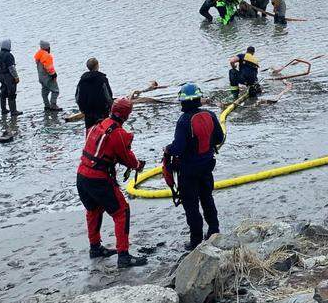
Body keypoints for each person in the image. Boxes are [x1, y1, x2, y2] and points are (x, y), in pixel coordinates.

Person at [76, 97, 148, 268]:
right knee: (122, 211)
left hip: (82, 176)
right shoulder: (118, 134)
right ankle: (123, 255)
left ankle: (95, 248)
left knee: (93, 210)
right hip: (98, 179)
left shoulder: (96, 126)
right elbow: (127, 158)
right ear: (127, 115)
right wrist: (138, 166)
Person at [165, 83, 225, 251]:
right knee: (207, 198)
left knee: (191, 205)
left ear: (183, 101)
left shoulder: (183, 121)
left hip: (188, 171)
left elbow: (178, 147)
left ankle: (196, 239)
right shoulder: (211, 115)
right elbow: (219, 138)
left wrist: (167, 149)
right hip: (207, 166)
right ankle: (214, 230)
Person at [76, 57, 114, 128]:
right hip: (102, 110)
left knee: (90, 133)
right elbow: (108, 96)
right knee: (103, 130)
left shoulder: (82, 81)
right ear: (97, 66)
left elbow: (77, 98)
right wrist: (111, 106)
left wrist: (82, 109)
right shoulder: (102, 79)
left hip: (88, 112)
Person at [0, 39, 22, 115]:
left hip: (1, 75)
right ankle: (13, 111)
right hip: (8, 76)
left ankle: (3, 109)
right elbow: (11, 67)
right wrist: (16, 77)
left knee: (3, 91)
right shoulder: (9, 55)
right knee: (11, 92)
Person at [34, 40, 62, 111]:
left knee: (45, 91)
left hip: (41, 77)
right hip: (48, 77)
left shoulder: (38, 55)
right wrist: (53, 74)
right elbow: (49, 67)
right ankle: (53, 105)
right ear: (47, 47)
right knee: (55, 91)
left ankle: (47, 105)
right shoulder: (46, 56)